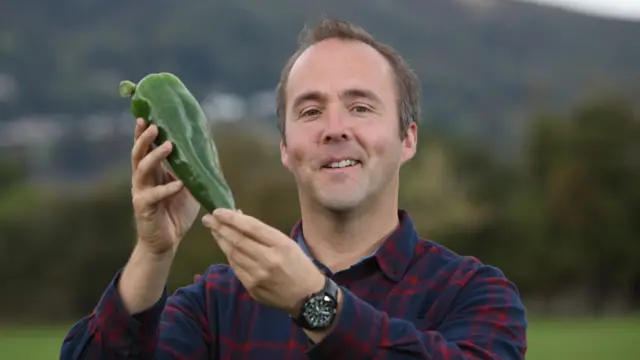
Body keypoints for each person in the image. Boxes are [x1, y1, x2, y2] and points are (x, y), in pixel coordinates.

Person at [60, 17, 527, 359]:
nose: (335, 128)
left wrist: (315, 304)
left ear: (408, 139)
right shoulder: (215, 305)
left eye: (361, 107)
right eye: (310, 111)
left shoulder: (474, 294)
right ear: (286, 147)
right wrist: (153, 253)